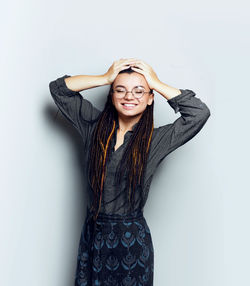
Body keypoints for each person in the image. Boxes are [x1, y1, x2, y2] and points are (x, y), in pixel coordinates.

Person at [49, 58, 211, 286]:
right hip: (93, 237)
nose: (129, 97)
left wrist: (156, 82)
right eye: (120, 90)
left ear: (150, 98)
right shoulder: (92, 126)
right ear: (112, 95)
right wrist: (105, 78)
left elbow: (198, 113)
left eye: (139, 91)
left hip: (131, 244)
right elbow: (59, 90)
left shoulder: (156, 141)